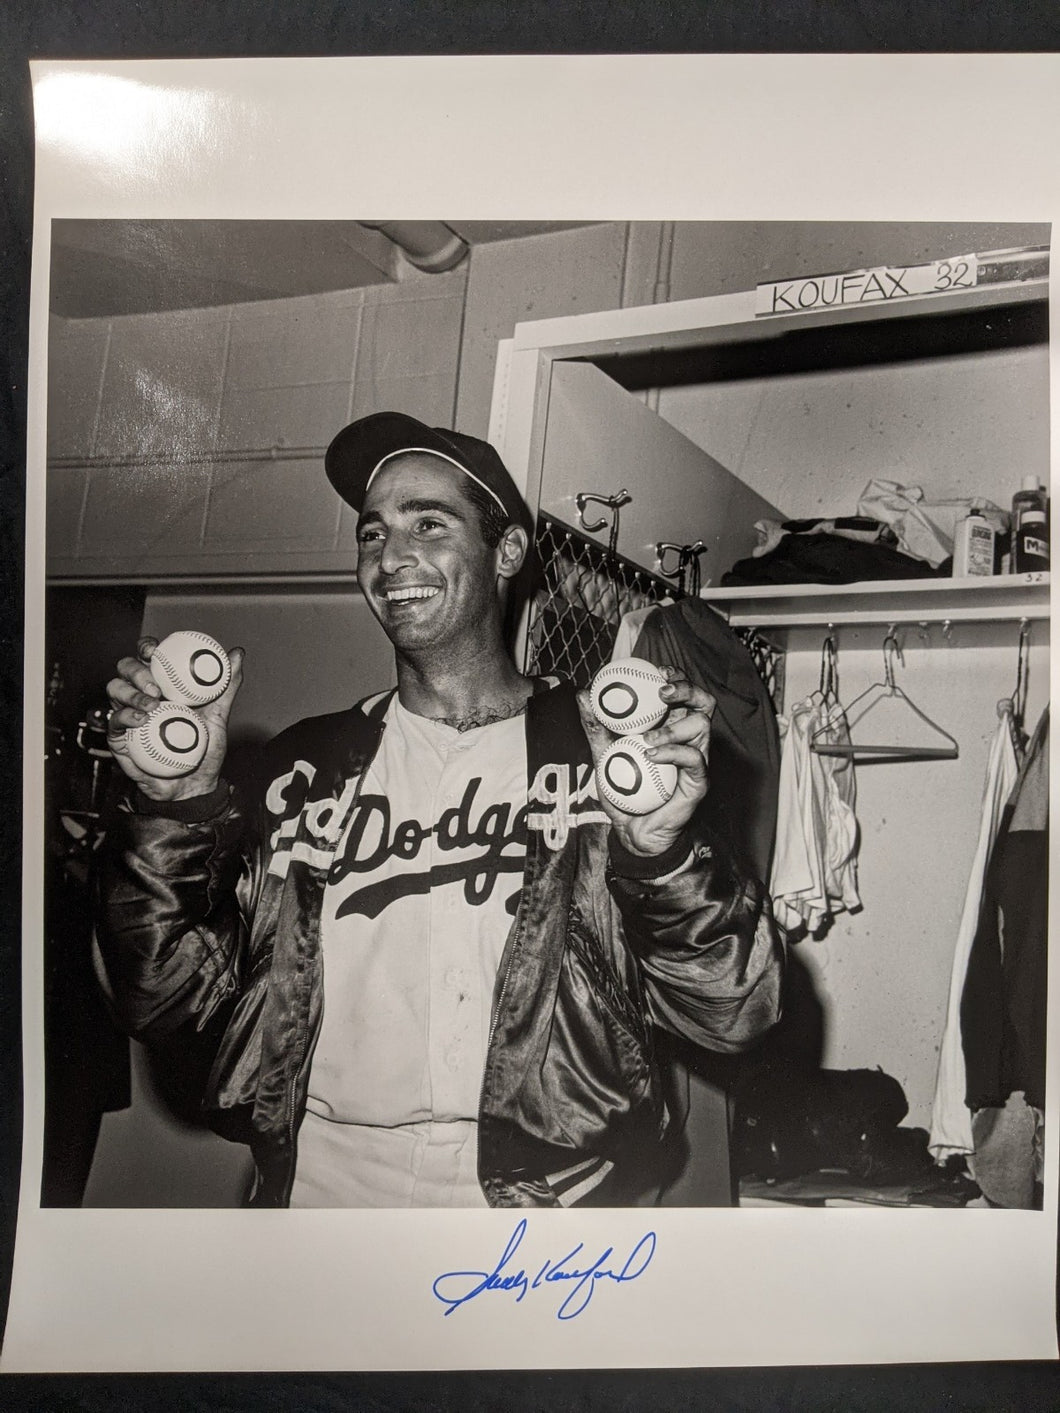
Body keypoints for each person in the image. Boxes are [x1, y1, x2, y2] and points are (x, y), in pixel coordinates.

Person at [96, 411, 783, 1208]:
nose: (392, 557)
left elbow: (735, 1011)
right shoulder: (300, 767)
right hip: (319, 1200)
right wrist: (174, 806)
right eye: (371, 532)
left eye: (429, 522)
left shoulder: (606, 755)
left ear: (510, 552)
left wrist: (661, 854)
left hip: (542, 1210)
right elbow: (164, 1000)